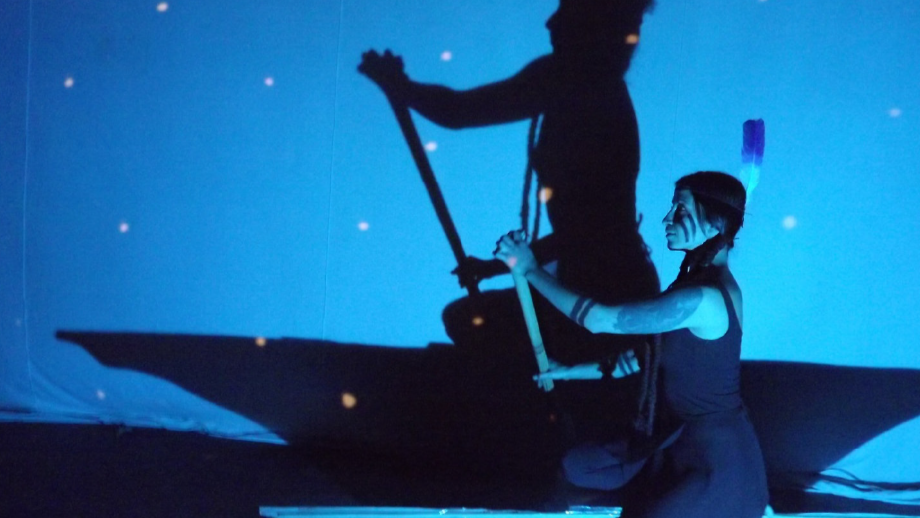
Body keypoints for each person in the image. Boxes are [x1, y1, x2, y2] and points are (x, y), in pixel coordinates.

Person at [358, 0, 661, 373]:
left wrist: (401, 87)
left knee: (470, 322)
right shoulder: (594, 89)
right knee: (470, 320)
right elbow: (586, 231)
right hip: (608, 290)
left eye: (565, 11)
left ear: (587, 24)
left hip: (601, 298)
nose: (550, 22)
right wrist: (496, 267)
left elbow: (459, 111)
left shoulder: (573, 81)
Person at [495, 171, 769, 518]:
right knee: (578, 465)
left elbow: (598, 319)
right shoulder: (697, 286)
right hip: (681, 443)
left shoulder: (704, 298)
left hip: (717, 467)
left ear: (716, 223)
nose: (667, 219)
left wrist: (530, 270)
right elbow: (648, 356)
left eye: (681, 210)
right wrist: (570, 372)